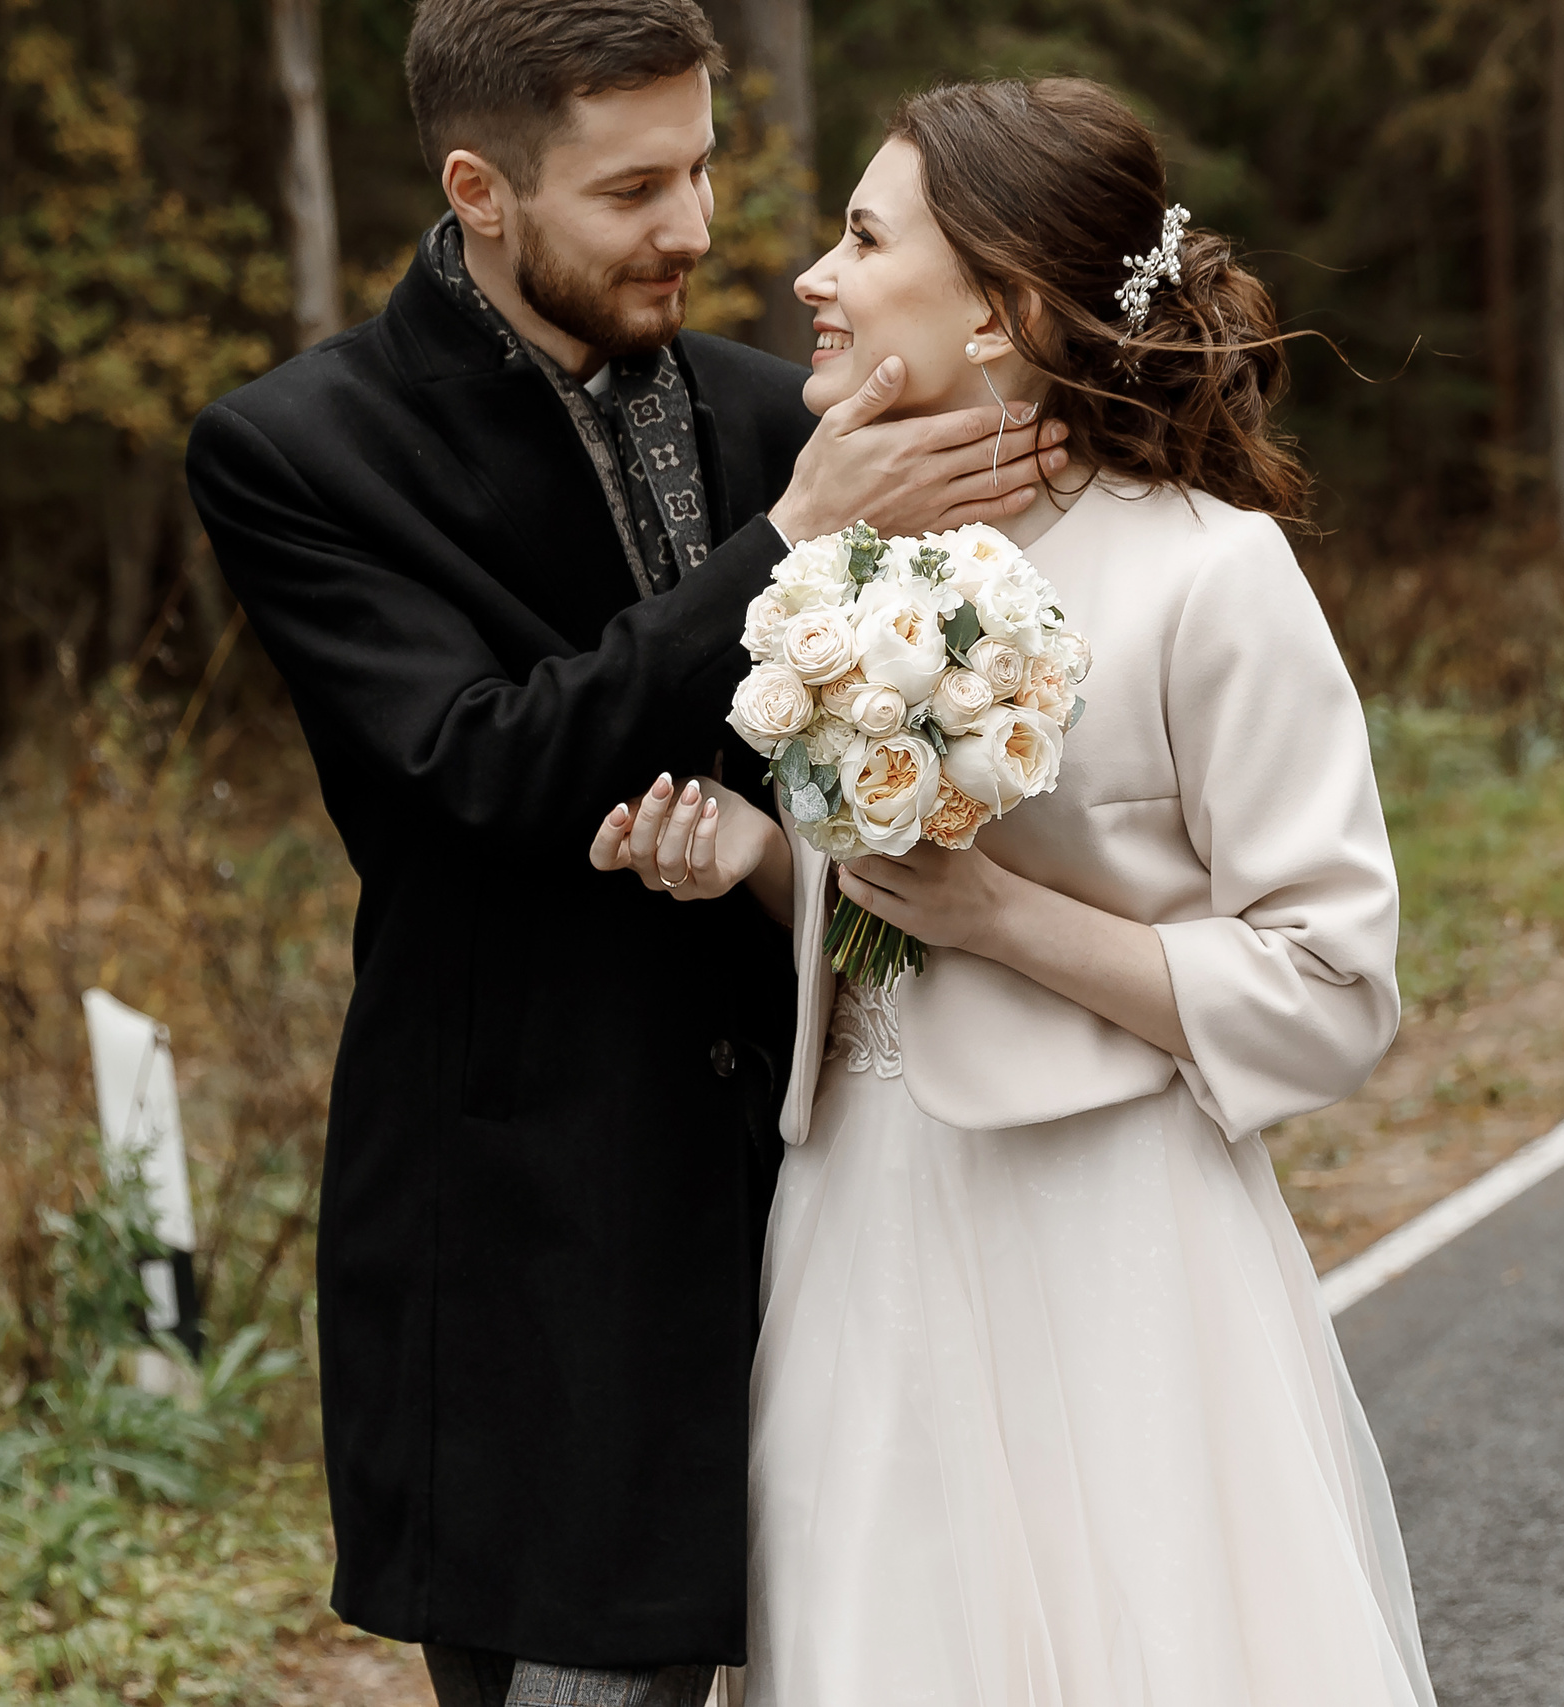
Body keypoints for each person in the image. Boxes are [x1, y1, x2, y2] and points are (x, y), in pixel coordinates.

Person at [184, 6, 1068, 1705]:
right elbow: (478, 772)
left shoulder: (774, 411)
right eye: (636, 186)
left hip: (847, 1198)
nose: (699, 226)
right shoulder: (301, 452)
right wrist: (796, 537)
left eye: (707, 163)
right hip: (541, 1259)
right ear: (481, 189)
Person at [594, 78, 1437, 1706]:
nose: (808, 283)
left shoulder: (1211, 572)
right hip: (854, 1229)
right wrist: (768, 862)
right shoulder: (840, 573)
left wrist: (1009, 922)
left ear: (1003, 313)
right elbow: (880, 930)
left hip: (1110, 1242)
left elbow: (1334, 983)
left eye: (859, 238)